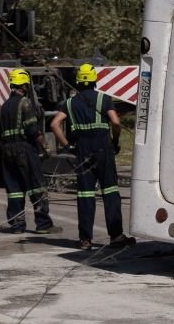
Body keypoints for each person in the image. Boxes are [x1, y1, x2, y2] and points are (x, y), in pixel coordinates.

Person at [50, 63, 130, 251]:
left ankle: (85, 239)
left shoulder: (69, 103)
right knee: (110, 192)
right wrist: (115, 140)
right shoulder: (104, 98)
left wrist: (68, 146)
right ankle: (116, 236)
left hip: (82, 150)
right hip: (103, 148)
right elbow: (116, 122)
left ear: (78, 81)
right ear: (94, 79)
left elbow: (54, 124)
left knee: (85, 194)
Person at [0, 69, 57, 234]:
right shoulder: (25, 103)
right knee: (37, 186)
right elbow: (33, 130)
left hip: (7, 150)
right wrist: (46, 147)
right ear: (24, 85)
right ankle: (43, 225)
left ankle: (17, 225)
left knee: (14, 189)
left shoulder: (3, 107)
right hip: (24, 148)